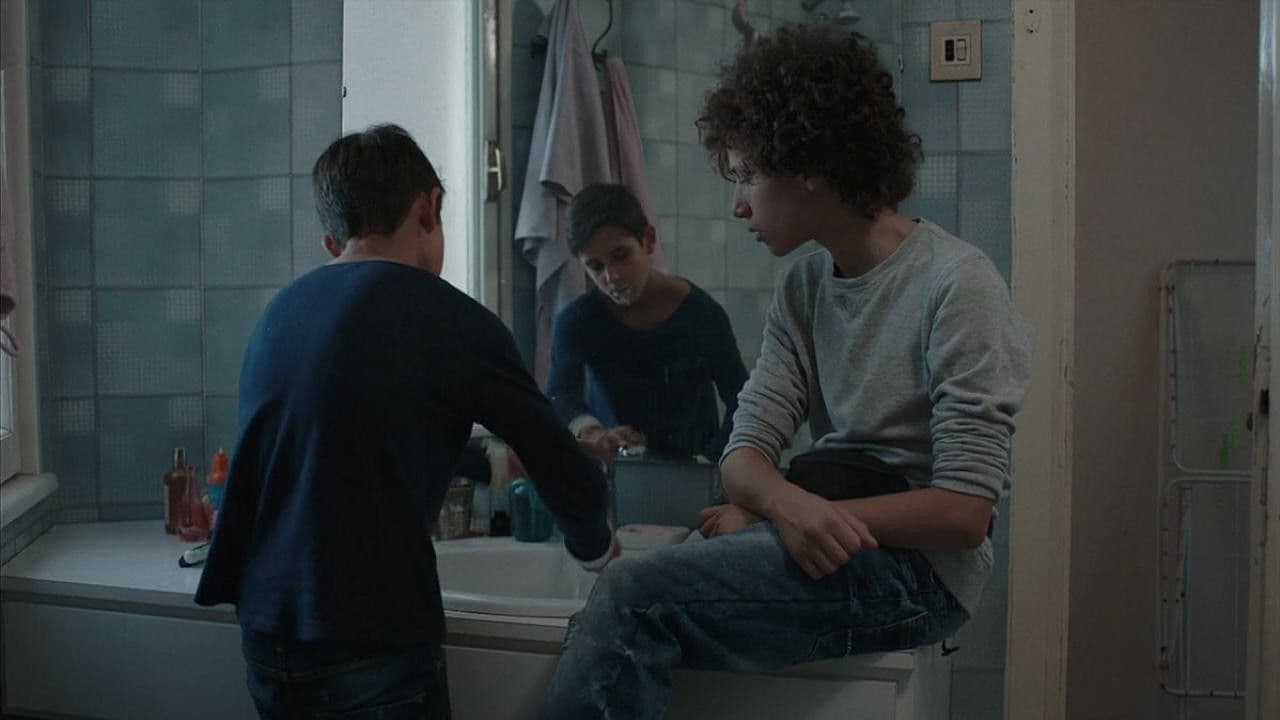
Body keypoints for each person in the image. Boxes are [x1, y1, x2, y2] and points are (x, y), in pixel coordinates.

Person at [539, 23, 1033, 719]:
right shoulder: (803, 288)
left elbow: (964, 513)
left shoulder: (957, 285)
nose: (737, 203)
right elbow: (742, 456)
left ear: (808, 166)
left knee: (632, 593)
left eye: (747, 175)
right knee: (635, 589)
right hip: (838, 534)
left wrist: (791, 512)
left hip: (920, 575)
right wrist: (784, 507)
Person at [194, 124, 616, 720]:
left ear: (332, 240)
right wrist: (598, 549)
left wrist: (485, 465)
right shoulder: (450, 318)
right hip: (369, 634)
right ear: (429, 206)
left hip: (266, 634)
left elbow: (347, 443)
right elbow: (557, 461)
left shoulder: (281, 313)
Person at [546, 183, 749, 461]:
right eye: (596, 266)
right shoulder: (577, 321)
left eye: (621, 255)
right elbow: (561, 394)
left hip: (695, 471)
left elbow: (741, 399)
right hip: (619, 472)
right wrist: (592, 432)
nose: (612, 276)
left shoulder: (701, 314)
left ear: (649, 240)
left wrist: (710, 461)